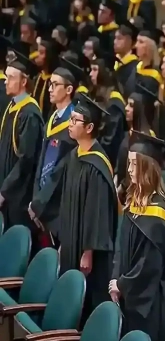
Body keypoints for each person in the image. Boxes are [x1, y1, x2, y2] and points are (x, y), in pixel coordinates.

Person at [110, 131, 165, 341]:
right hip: (129, 295)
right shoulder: (133, 201)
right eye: (128, 164)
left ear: (147, 168)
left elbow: (148, 267)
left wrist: (122, 284)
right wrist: (115, 278)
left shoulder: (157, 215)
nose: (128, 170)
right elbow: (120, 244)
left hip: (148, 302)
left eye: (133, 165)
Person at [58, 92, 118, 324]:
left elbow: (98, 212)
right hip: (71, 241)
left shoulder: (97, 164)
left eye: (75, 120)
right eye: (70, 118)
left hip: (88, 252)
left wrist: (88, 251)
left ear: (90, 127)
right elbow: (66, 202)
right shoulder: (75, 156)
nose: (70, 124)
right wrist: (64, 240)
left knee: (86, 300)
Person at [30, 67, 78, 242]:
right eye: (50, 84)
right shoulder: (53, 118)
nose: (50, 89)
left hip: (57, 206)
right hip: (40, 202)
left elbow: (61, 172)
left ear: (69, 89)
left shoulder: (73, 125)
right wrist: (36, 199)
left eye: (55, 85)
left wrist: (40, 203)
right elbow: (41, 161)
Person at [0, 47, 44, 231]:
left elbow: (26, 160)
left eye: (11, 77)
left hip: (19, 195)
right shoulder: (13, 107)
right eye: (6, 76)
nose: (6, 81)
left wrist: (5, 191)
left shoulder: (29, 114)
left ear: (24, 81)